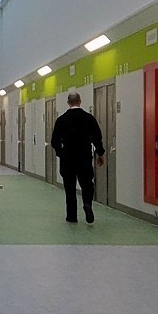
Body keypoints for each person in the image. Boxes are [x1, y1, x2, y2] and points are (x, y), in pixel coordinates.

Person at [50, 91, 105, 224]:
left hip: (67, 158)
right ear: (80, 101)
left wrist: (61, 153)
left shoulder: (61, 120)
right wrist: (100, 153)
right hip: (84, 156)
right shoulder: (89, 118)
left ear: (68, 103)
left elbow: (54, 141)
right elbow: (97, 137)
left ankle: (72, 216)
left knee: (69, 188)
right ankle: (87, 204)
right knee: (87, 184)